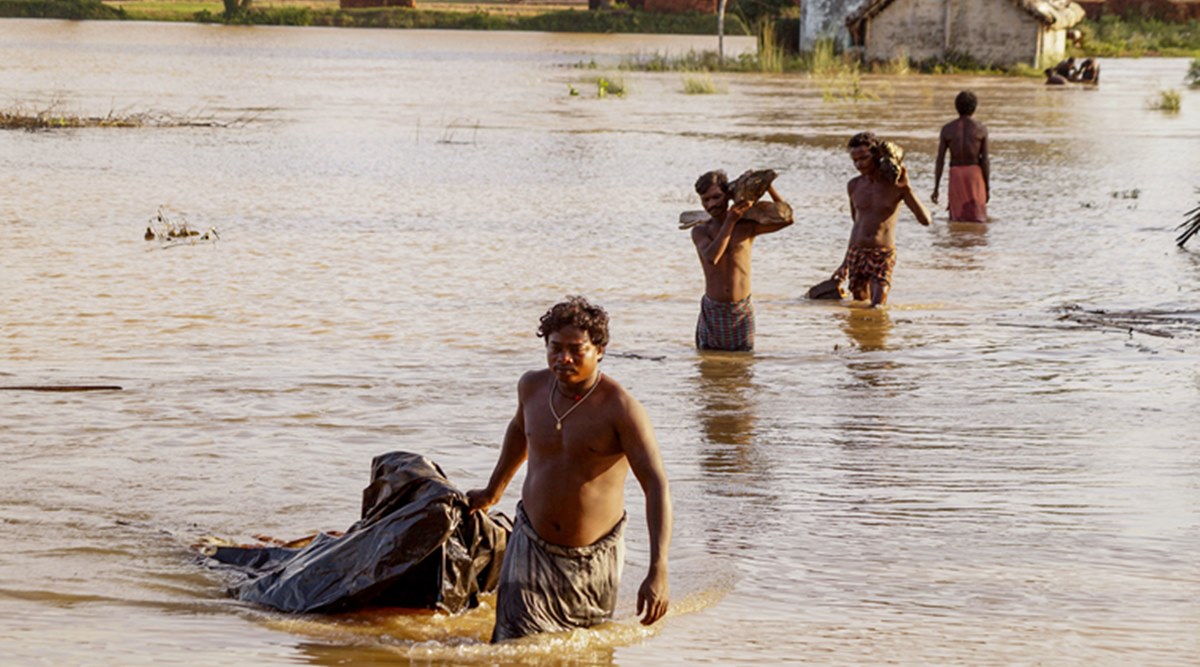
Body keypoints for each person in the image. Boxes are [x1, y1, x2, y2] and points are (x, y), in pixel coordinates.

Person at [467, 296, 672, 642]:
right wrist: (493, 491)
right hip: (530, 544)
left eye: (577, 350)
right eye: (555, 348)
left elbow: (656, 485)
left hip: (592, 561)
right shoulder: (531, 387)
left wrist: (658, 570)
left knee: (584, 654)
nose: (563, 359)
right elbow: (520, 431)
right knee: (511, 649)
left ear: (600, 350)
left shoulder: (621, 408)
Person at [691, 170, 793, 351]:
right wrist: (730, 220)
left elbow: (787, 219)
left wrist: (766, 185)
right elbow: (712, 257)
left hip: (741, 310)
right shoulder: (701, 231)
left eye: (716, 197)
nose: (712, 204)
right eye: (705, 200)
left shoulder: (747, 226)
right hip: (714, 310)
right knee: (710, 368)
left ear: (728, 196)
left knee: (743, 368)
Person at [833, 132, 932, 307]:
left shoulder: (896, 187)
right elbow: (857, 224)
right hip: (857, 253)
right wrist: (845, 263)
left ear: (877, 156)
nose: (859, 165)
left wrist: (907, 189)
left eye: (863, 158)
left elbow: (926, 220)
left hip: (882, 254)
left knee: (877, 308)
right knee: (859, 309)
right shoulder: (854, 185)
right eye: (855, 160)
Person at [931, 90, 990, 223]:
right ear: (974, 107)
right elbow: (985, 161)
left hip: (956, 173)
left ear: (956, 106)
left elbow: (940, 160)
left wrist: (936, 188)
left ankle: (958, 241)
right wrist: (987, 186)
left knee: (957, 218)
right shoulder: (981, 129)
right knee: (978, 218)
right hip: (975, 173)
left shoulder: (947, 129)